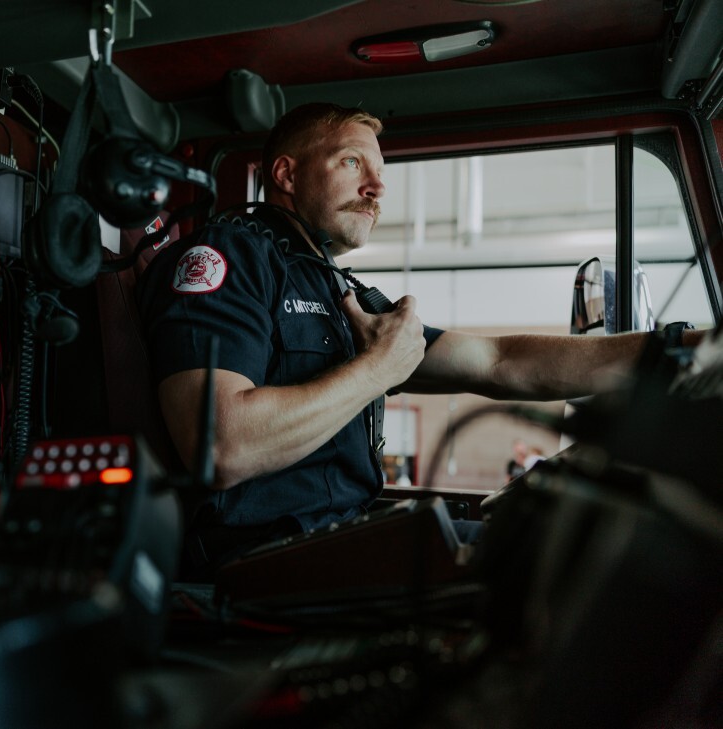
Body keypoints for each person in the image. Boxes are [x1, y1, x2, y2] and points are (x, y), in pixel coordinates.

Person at [136, 102, 701, 579]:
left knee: (582, 543)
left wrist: (684, 348)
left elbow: (499, 362)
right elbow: (219, 446)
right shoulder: (226, 259)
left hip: (344, 541)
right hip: (265, 565)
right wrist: (378, 370)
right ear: (285, 175)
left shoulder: (340, 291)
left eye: (380, 171)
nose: (377, 187)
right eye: (352, 161)